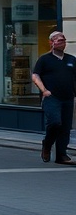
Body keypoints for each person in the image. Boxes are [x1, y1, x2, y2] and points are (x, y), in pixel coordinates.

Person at [31, 31, 76, 165]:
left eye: (64, 40)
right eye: (59, 40)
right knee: (55, 122)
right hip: (52, 97)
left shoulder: (71, 59)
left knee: (65, 127)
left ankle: (61, 155)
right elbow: (35, 76)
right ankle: (47, 145)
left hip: (68, 97)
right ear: (51, 42)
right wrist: (44, 90)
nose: (62, 43)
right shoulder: (44, 59)